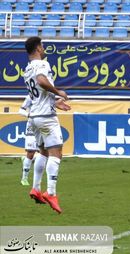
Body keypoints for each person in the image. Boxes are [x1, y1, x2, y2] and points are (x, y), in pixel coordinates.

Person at [23, 36, 70, 214]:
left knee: (42, 151)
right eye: (41, 46)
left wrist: (55, 101)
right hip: (46, 117)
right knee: (56, 151)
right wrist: (58, 92)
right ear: (37, 48)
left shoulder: (27, 69)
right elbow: (42, 81)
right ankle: (51, 193)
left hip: (34, 116)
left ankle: (35, 187)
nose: (43, 48)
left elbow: (39, 93)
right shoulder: (42, 64)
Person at [18, 95, 38, 186]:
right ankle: (24, 178)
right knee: (31, 152)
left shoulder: (47, 95)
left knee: (44, 153)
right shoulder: (30, 96)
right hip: (32, 126)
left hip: (44, 126)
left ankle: (26, 160)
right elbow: (21, 110)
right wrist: (29, 115)